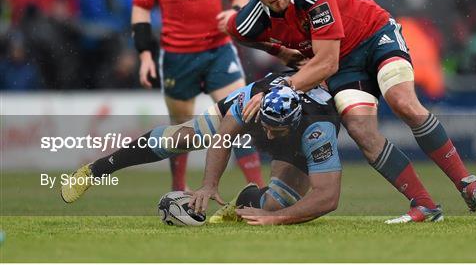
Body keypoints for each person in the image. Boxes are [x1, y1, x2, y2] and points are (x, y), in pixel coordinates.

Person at [226, 0, 476, 223]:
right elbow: (235, 30)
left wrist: (282, 87)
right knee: (359, 129)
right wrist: (280, 51)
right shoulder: (253, 16)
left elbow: (327, 63)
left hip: (375, 36)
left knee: (403, 103)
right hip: (346, 66)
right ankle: (425, 206)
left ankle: (467, 183)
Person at [60, 73, 342, 226]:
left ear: (294, 125)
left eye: (274, 131)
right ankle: (95, 170)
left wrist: (274, 218)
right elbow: (223, 138)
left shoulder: (319, 131)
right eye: (265, 127)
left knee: (278, 206)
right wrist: (208, 185)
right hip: (254, 100)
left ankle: (247, 199)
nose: (266, 136)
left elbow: (328, 197)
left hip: (299, 138)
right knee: (182, 138)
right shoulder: (253, 105)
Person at [130, 0, 263, 190]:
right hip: (177, 56)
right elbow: (140, 9)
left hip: (218, 51)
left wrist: (236, 13)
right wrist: (145, 55)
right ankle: (179, 188)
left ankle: (257, 190)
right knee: (180, 128)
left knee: (238, 116)